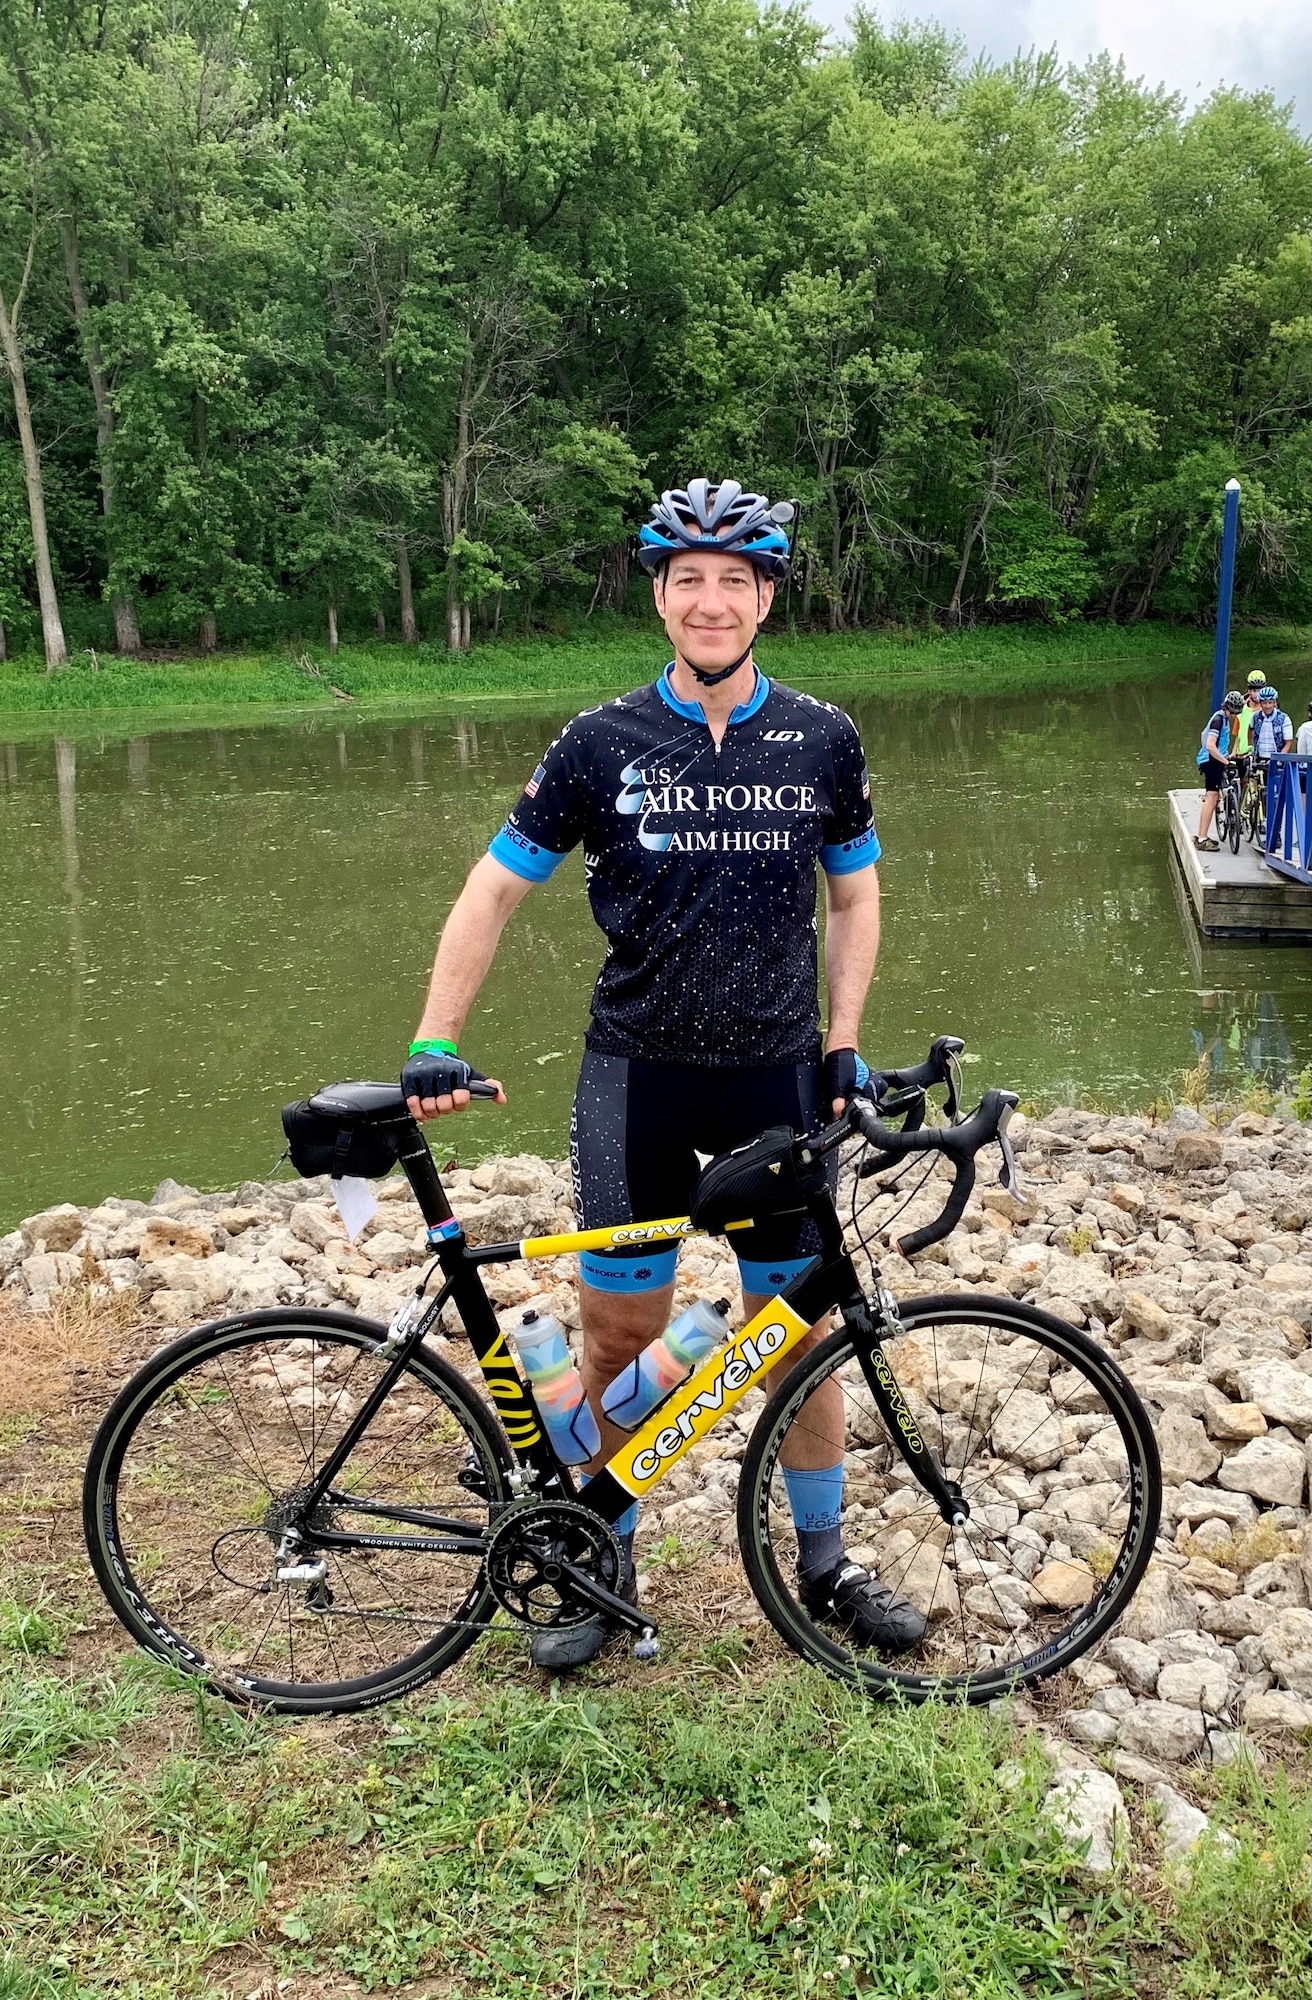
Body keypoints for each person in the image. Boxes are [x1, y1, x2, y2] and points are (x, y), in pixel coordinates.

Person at [401, 476, 926, 1670]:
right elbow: (493, 887)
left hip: (778, 1078)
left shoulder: (822, 737)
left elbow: (854, 895)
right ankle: (601, 1554)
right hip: (633, 1076)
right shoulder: (597, 741)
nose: (708, 598)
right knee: (620, 1327)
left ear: (764, 599)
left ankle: (826, 1564)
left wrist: (843, 1038)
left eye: (731, 579)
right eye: (685, 578)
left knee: (795, 1327)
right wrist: (434, 1037)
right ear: (659, 596)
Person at [1194, 691, 1244, 850]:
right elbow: (1209, 744)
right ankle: (1202, 839)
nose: (1234, 715)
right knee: (1212, 798)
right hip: (1211, 761)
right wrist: (1225, 761)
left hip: (1215, 759)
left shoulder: (1222, 717)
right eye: (1233, 712)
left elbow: (1203, 733)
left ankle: (1203, 835)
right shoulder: (1218, 720)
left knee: (1213, 798)